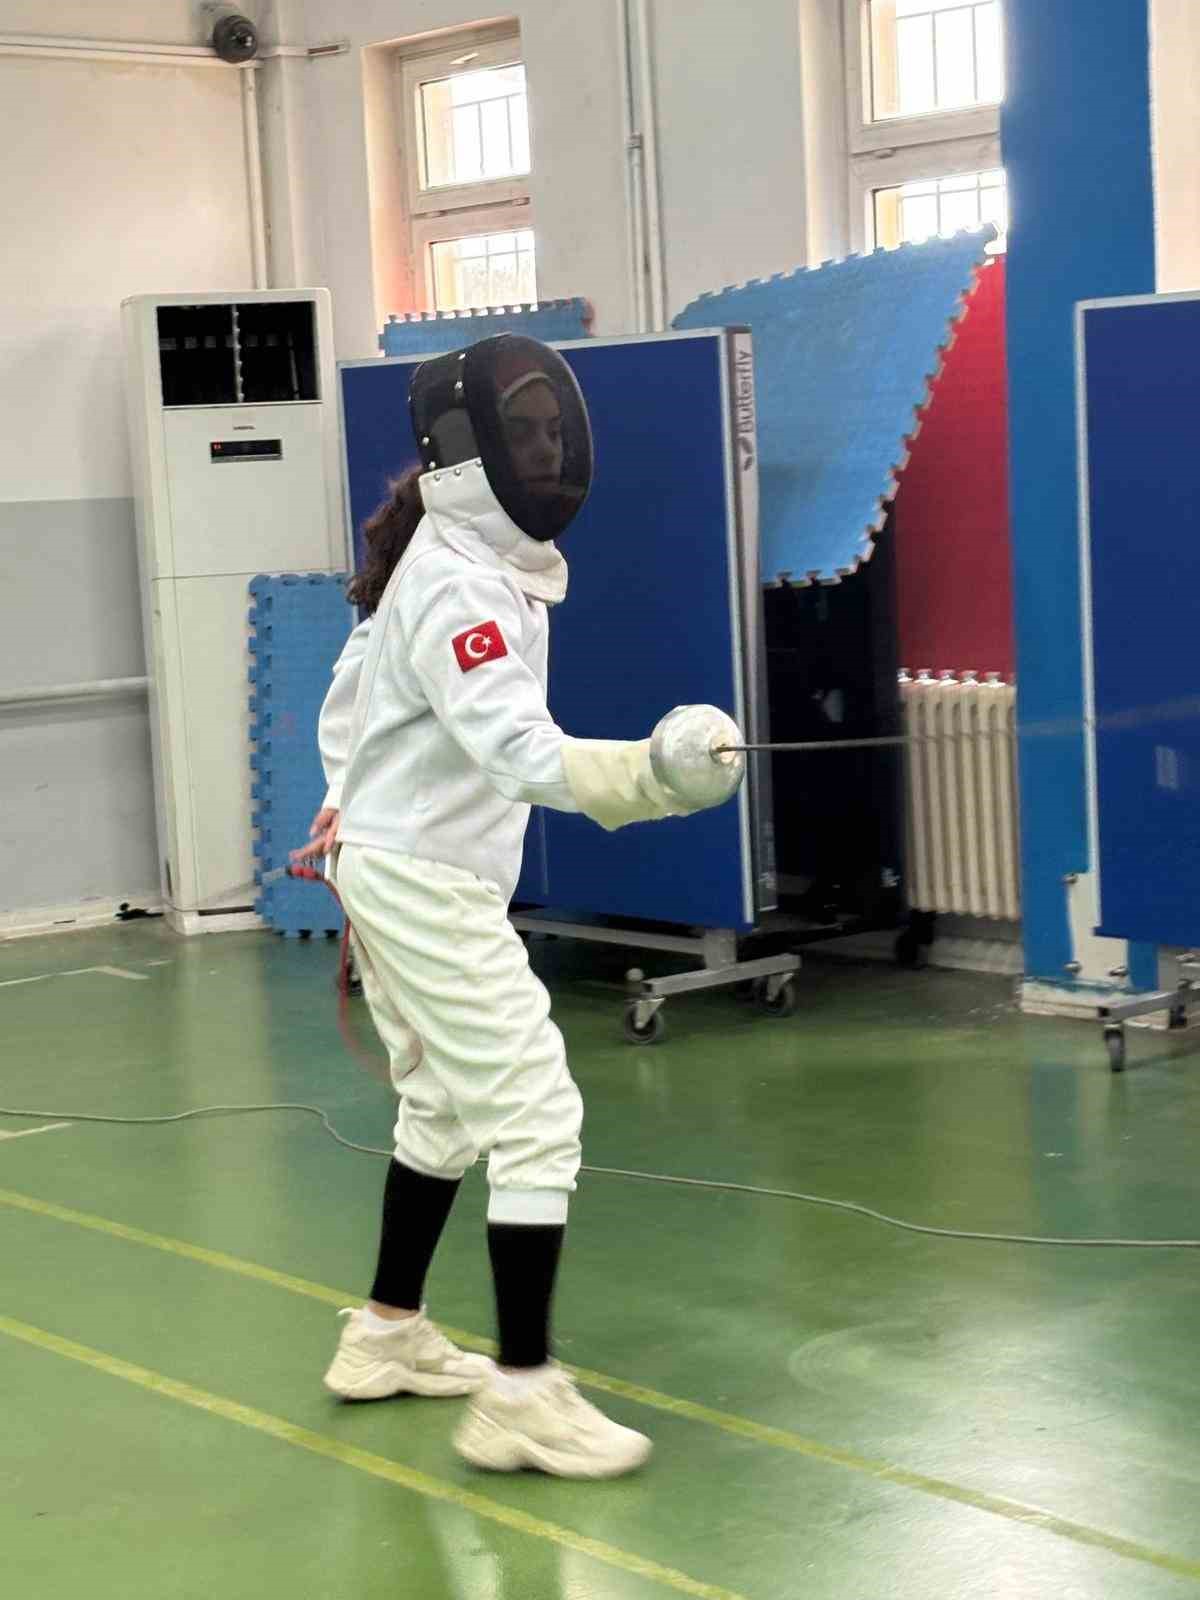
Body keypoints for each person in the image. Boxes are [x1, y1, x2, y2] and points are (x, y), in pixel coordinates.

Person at [307, 334, 735, 1479]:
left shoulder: (454, 558)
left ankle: (386, 1332)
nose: (546, 452)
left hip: (400, 864)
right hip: (422, 879)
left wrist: (345, 803)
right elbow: (517, 751)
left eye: (553, 432)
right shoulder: (458, 582)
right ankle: (523, 1396)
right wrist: (655, 774)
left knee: (445, 1108)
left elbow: (352, 693)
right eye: (524, 433)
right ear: (468, 449)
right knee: (535, 1115)